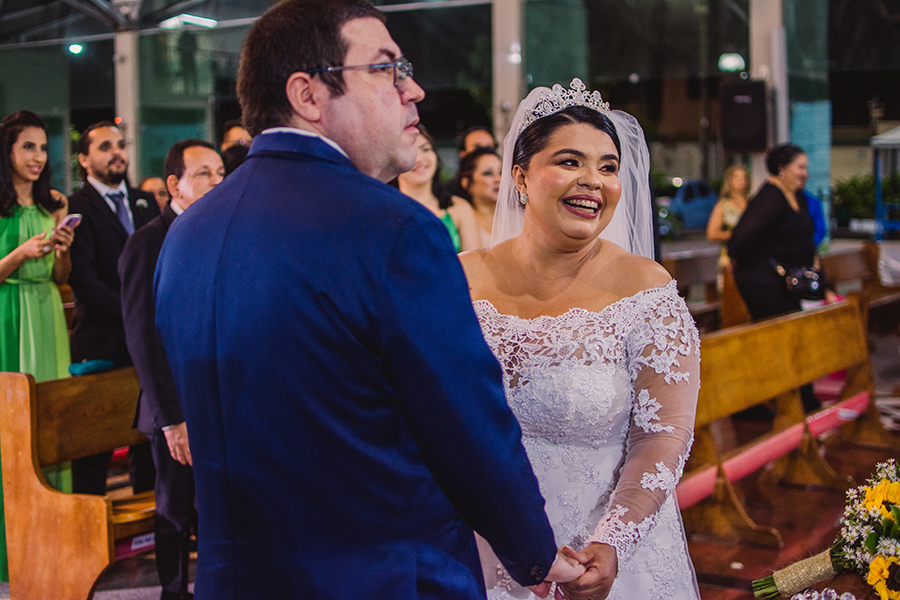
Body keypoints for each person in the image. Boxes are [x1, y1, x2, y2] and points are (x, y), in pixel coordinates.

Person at [153, 1, 583, 598]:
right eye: (386, 69)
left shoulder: (187, 235)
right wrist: (536, 555)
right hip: (382, 577)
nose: (415, 90)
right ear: (308, 95)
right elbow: (463, 423)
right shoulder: (393, 230)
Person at [460, 79, 701, 600]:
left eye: (608, 167)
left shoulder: (647, 291)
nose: (593, 180)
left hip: (601, 550)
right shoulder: (459, 280)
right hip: (477, 546)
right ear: (521, 176)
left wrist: (612, 541)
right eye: (570, 162)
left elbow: (663, 436)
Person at [120, 139, 223, 600]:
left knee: (219, 508)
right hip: (174, 407)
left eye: (221, 172)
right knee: (176, 510)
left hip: (218, 397)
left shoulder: (223, 233)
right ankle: (174, 593)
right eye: (204, 174)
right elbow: (143, 338)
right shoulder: (147, 243)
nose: (217, 182)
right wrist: (172, 419)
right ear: (173, 185)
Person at [0, 109, 78, 582]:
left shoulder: (54, 203)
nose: (37, 156)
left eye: (43, 148)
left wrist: (62, 252)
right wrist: (19, 253)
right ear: (7, 150)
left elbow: (61, 278)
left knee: (51, 425)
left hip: (46, 314)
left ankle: (52, 542)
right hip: (7, 313)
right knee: (10, 431)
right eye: (27, 146)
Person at [67, 121, 160, 495]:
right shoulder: (75, 207)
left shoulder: (145, 201)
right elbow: (83, 279)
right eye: (105, 147)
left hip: (147, 344)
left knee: (148, 442)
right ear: (84, 159)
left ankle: (155, 532)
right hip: (103, 340)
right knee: (94, 449)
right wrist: (135, 314)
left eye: (120, 145)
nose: (117, 152)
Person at [727, 143, 838, 322]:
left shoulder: (797, 195)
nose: (805, 173)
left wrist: (822, 281)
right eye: (800, 167)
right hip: (767, 284)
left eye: (805, 168)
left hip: (791, 284)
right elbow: (740, 238)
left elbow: (805, 239)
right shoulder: (770, 197)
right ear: (782, 168)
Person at [393, 124, 481, 252]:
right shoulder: (384, 211)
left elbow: (475, 267)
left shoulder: (459, 208)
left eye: (426, 149)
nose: (420, 159)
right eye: (410, 151)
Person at [454, 147, 501, 248]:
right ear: (466, 183)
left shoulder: (518, 216)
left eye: (501, 173)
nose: (498, 179)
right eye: (488, 173)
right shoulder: (461, 219)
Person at [706, 164, 749, 245]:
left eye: (744, 177)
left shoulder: (751, 203)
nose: (741, 180)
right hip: (730, 253)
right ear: (730, 181)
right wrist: (734, 235)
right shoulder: (723, 205)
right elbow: (712, 234)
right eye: (736, 177)